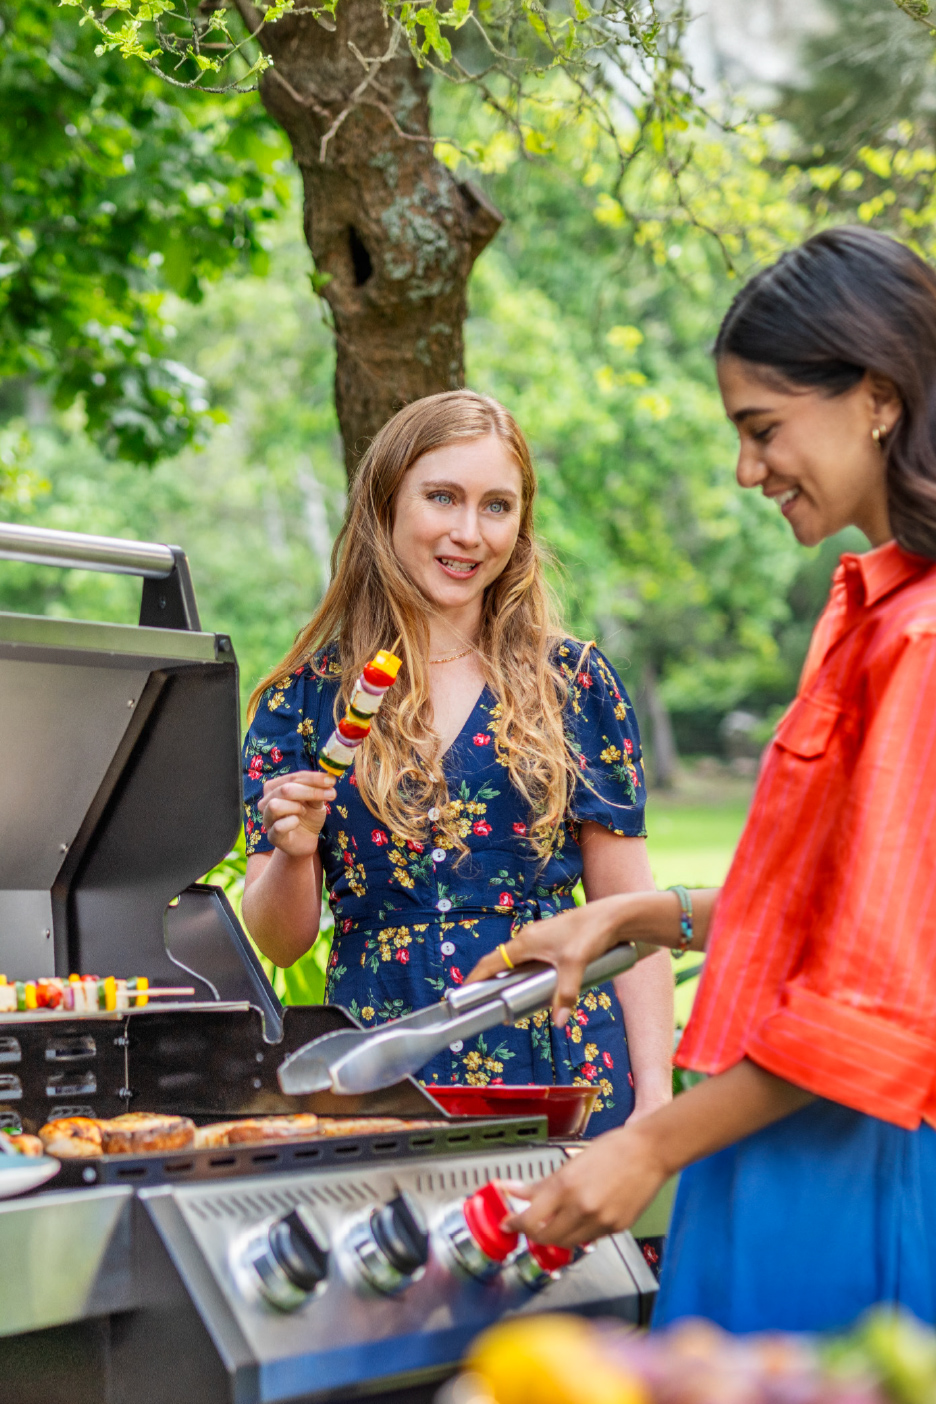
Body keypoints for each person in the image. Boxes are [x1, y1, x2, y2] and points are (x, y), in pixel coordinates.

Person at [467, 227, 936, 1329]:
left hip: (840, 1171)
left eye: (763, 429)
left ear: (876, 394)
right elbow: (844, 913)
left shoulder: (922, 643)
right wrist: (636, 914)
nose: (746, 469)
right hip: (762, 1150)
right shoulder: (869, 614)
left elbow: (872, 1002)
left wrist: (644, 1148)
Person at [241, 389, 673, 1134]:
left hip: (562, 1065)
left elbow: (628, 918)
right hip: (381, 1070)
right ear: (386, 507)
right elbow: (282, 939)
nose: (469, 533)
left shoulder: (572, 683)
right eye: (443, 498)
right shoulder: (302, 699)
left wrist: (657, 1110)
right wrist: (292, 853)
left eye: (497, 506)